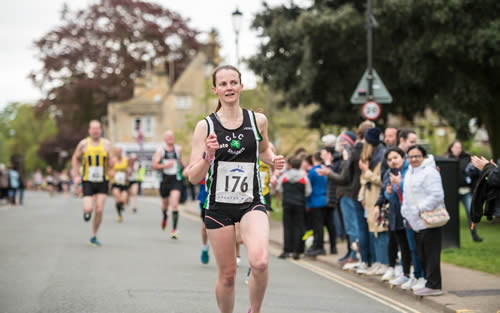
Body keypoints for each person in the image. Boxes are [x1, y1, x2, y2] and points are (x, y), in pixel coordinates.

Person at [185, 65, 285, 313]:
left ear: (241, 86)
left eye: (233, 82)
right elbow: (192, 176)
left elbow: (263, 151)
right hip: (218, 208)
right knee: (228, 276)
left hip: (251, 202)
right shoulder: (205, 126)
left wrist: (274, 160)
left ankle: (254, 310)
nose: (229, 88)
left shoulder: (257, 121)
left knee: (260, 262)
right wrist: (209, 156)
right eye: (223, 84)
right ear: (215, 89)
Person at [402, 145, 445, 296]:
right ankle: (429, 282)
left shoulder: (430, 173)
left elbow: (437, 195)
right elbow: (407, 195)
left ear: (424, 157)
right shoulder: (409, 172)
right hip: (415, 221)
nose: (414, 159)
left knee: (431, 253)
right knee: (421, 253)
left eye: (417, 156)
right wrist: (406, 212)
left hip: (429, 219)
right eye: (411, 157)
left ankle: (434, 285)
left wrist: (420, 208)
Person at [72, 120, 113, 246]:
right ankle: (87, 212)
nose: (95, 131)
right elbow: (75, 158)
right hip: (88, 180)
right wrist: (76, 176)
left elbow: (112, 160)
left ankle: (94, 235)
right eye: (93, 128)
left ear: (101, 130)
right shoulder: (83, 144)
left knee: (99, 209)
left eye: (98, 128)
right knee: (88, 208)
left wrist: (111, 169)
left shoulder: (107, 144)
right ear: (89, 130)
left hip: (102, 181)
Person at [375, 147, 412, 287]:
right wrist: (388, 193)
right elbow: (388, 195)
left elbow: (409, 190)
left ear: (403, 157)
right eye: (390, 160)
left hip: (409, 214)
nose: (393, 161)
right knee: (402, 245)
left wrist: (398, 184)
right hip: (395, 214)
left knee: (411, 246)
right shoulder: (388, 174)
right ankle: (406, 274)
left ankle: (414, 275)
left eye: (395, 158)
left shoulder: (408, 171)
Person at [357, 128, 389, 275]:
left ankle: (384, 263)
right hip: (369, 199)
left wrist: (366, 171)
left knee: (380, 231)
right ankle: (377, 262)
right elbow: (365, 179)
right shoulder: (373, 155)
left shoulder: (381, 156)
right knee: (373, 231)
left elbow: (380, 180)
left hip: (377, 198)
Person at [446, 140, 482, 242]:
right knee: (449, 215)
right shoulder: (447, 160)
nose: (458, 149)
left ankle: (474, 235)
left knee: (471, 213)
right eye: (455, 147)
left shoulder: (467, 159)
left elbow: (475, 174)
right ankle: (449, 237)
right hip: (453, 192)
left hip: (465, 191)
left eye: (459, 147)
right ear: (451, 148)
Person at [278, 156, 311, 260]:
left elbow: (279, 188)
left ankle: (286, 250)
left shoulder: (284, 176)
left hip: (287, 203)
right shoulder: (304, 177)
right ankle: (296, 252)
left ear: (290, 165)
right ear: (300, 165)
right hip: (299, 204)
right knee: (298, 227)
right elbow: (308, 191)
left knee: (287, 227)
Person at [152, 130, 184, 239]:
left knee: (174, 204)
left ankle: (174, 230)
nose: (170, 138)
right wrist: (165, 166)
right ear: (165, 139)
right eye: (168, 136)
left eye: (172, 136)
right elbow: (155, 166)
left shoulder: (178, 149)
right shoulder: (160, 150)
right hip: (164, 181)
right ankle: (165, 216)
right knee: (165, 205)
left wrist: (188, 168)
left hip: (176, 180)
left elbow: (181, 162)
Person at [111, 147, 129, 222]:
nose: (119, 153)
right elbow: (109, 169)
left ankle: (121, 206)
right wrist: (111, 173)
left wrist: (128, 175)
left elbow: (128, 169)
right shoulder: (112, 160)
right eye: (117, 152)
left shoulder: (125, 160)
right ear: (115, 152)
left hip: (124, 183)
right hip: (115, 182)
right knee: (118, 199)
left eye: (120, 151)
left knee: (123, 200)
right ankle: (119, 215)